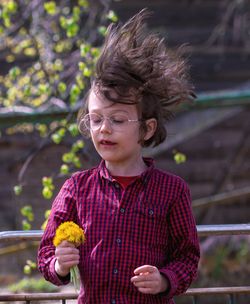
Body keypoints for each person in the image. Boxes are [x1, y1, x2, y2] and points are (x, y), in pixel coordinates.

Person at [38, 9, 200, 304]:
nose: (104, 129)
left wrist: (165, 279)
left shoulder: (172, 190)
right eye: (96, 119)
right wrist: (60, 264)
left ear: (147, 129)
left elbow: (187, 257)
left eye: (118, 119)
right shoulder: (76, 189)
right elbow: (47, 256)